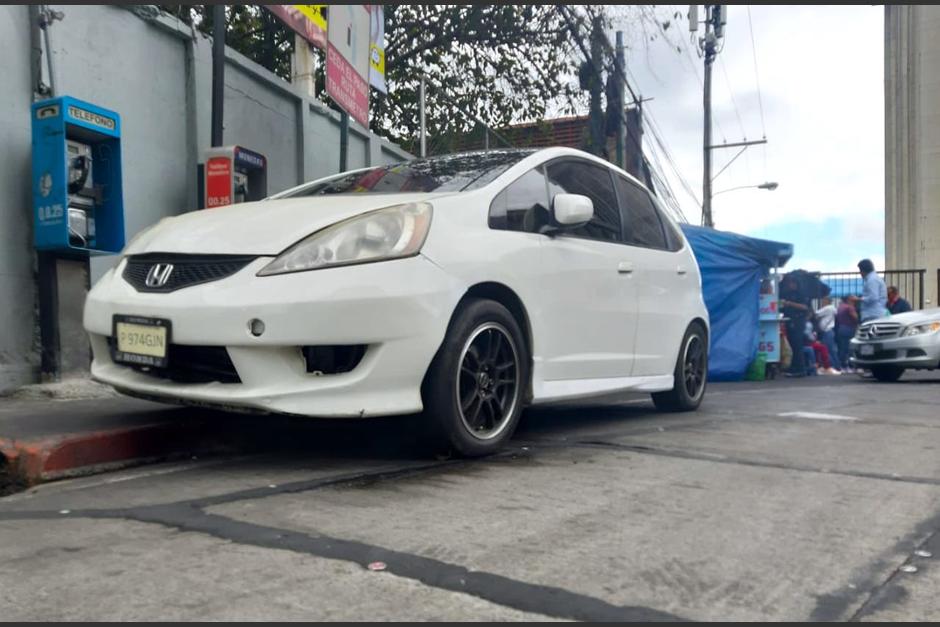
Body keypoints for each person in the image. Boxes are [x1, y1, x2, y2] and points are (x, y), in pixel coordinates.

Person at [780, 273, 812, 377]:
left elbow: (805, 307)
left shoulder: (801, 294)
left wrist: (789, 304)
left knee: (797, 345)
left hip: (798, 321)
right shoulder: (788, 293)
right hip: (789, 320)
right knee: (792, 345)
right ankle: (793, 367)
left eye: (792, 283)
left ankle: (800, 368)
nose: (790, 285)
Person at [814, 297, 842, 371]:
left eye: (823, 300)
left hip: (827, 331)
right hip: (828, 331)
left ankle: (834, 366)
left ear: (827, 301)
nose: (822, 302)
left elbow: (816, 313)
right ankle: (835, 365)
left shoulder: (828, 308)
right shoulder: (832, 308)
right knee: (830, 349)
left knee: (828, 349)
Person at [858, 258, 887, 323]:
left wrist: (859, 299)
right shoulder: (875, 278)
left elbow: (873, 297)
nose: (860, 273)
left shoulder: (872, 280)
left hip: (872, 315)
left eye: (860, 270)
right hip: (875, 314)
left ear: (863, 270)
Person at [836, 295, 860, 373]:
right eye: (853, 300)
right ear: (849, 300)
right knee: (849, 349)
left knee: (842, 348)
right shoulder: (850, 307)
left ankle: (841, 366)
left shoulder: (840, 307)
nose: (855, 302)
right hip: (849, 328)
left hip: (841, 328)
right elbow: (855, 317)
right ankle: (848, 366)